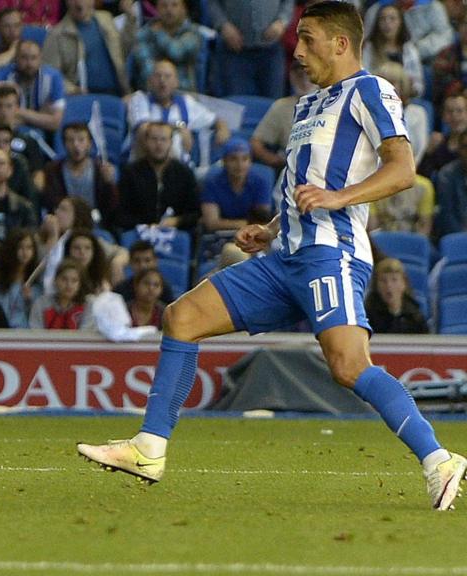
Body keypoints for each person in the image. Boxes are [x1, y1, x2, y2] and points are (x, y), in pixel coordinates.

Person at [78, 3, 467, 511]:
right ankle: (149, 449)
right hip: (285, 257)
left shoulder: (370, 90)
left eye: (307, 39)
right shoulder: (306, 106)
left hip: (332, 254)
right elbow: (311, 183)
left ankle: (438, 459)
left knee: (349, 366)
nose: (298, 50)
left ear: (341, 43)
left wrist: (337, 199)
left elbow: (401, 169)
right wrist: (274, 227)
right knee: (182, 317)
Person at [127, 60, 229, 167]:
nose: (162, 81)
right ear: (150, 81)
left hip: (180, 169)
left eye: (167, 76)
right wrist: (179, 127)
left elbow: (215, 120)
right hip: (144, 166)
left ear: (176, 82)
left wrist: (222, 127)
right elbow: (144, 130)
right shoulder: (139, 99)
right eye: (158, 76)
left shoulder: (186, 102)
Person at [117, 121, 201, 234]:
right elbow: (121, 214)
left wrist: (177, 221)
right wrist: (147, 226)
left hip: (175, 234)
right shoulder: (130, 173)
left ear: (171, 142)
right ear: (146, 142)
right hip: (139, 234)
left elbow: (195, 213)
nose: (158, 144)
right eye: (154, 139)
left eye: (163, 139)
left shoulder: (184, 173)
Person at [41, 0, 130, 96]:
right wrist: (73, 90)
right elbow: (49, 74)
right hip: (82, 99)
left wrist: (131, 19)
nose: (79, 4)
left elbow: (124, 52)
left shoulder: (106, 19)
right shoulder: (56, 35)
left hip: (119, 95)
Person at [206, 0, 292, 99]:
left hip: (271, 52)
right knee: (237, 105)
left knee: (273, 105)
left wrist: (282, 21)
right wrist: (223, 24)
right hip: (234, 52)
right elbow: (212, 3)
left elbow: (288, 2)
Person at [41, 123, 120, 230]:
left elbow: (111, 207)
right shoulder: (53, 170)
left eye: (81, 140)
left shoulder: (100, 170)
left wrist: (109, 184)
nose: (76, 145)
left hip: (97, 225)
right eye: (71, 140)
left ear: (90, 143)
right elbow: (51, 202)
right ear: (64, 144)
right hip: (63, 226)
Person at [0, 40, 68, 134]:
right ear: (15, 58)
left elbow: (55, 123)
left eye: (34, 58)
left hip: (44, 134)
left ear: (40, 58)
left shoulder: (54, 77)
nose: (29, 63)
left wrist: (19, 113)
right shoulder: (2, 76)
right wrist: (41, 115)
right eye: (24, 58)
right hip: (8, 131)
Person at [251, 63, 316, 171]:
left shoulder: (330, 103)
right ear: (292, 77)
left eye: (308, 75)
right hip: (291, 167)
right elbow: (256, 143)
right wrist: (275, 161)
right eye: (299, 76)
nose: (304, 81)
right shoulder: (281, 106)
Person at [200, 138, 273, 232]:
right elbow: (211, 223)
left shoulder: (261, 181)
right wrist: (247, 223)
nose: (239, 165)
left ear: (251, 161)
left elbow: (262, 221)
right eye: (233, 159)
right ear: (224, 161)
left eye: (245, 159)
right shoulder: (212, 182)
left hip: (253, 234)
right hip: (220, 235)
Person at [132, 0, 203, 92]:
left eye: (174, 5)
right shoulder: (145, 33)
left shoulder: (192, 32)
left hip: (183, 92)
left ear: (183, 9)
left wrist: (160, 34)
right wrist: (159, 84)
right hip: (152, 92)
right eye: (164, 6)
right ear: (157, 9)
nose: (169, 10)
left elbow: (176, 52)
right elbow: (145, 64)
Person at [362, 3, 424, 99]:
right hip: (375, 97)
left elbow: (418, 86)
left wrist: (408, 86)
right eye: (383, 19)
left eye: (392, 18)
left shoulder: (409, 49)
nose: (387, 23)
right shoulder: (369, 49)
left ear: (400, 22)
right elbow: (363, 78)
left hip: (404, 99)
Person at [0, 227, 40, 328]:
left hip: (24, 334)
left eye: (29, 247)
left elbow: (38, 317)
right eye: (20, 247)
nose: (25, 252)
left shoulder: (36, 279)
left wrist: (29, 300)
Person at [364, 257, 428, 334]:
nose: (388, 285)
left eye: (394, 280)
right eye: (383, 280)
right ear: (376, 285)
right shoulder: (368, 317)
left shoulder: (415, 317)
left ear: (404, 283)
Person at [28, 259, 93, 329]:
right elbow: (35, 333)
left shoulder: (88, 305)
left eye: (74, 280)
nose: (69, 285)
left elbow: (84, 336)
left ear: (80, 284)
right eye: (64, 279)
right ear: (55, 280)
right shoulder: (41, 304)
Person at [112, 238, 176, 304]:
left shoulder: (164, 288)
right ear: (130, 263)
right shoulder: (120, 290)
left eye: (147, 260)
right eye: (137, 261)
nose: (142, 266)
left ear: (155, 262)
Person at [419, 93, 467, 178]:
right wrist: (428, 152)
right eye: (449, 111)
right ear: (443, 116)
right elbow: (423, 174)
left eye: (459, 111)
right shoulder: (438, 143)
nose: (454, 116)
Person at [64, 228, 111, 295]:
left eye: (87, 248)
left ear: (94, 252)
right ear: (68, 251)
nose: (82, 252)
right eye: (77, 248)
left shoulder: (101, 282)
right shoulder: (60, 275)